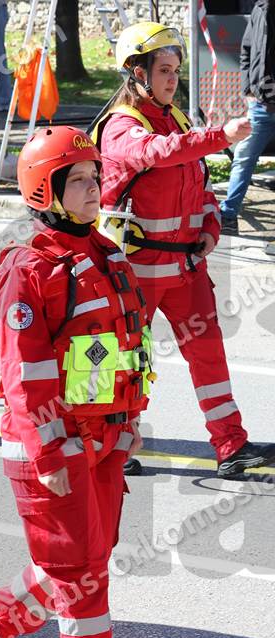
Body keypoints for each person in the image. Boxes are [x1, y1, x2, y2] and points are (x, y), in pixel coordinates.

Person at [0, 126, 155, 638]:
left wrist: (130, 421)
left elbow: (125, 347)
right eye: (77, 180)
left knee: (85, 560)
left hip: (104, 439)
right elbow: (26, 376)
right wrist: (50, 451)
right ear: (43, 190)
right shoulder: (27, 268)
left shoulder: (105, 254)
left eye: (95, 177)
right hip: (49, 445)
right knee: (80, 572)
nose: (93, 189)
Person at [96, 21, 275, 478]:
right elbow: (161, 153)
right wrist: (221, 136)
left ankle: (231, 446)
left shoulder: (175, 118)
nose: (173, 79)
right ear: (137, 72)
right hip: (135, 272)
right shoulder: (122, 126)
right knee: (128, 360)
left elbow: (199, 184)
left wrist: (211, 225)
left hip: (185, 269)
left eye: (176, 70)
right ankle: (115, 446)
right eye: (164, 70)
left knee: (209, 355)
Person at [220, 0, 275, 234]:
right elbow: (247, 50)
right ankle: (228, 215)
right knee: (243, 159)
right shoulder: (260, 8)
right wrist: (248, 89)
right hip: (261, 106)